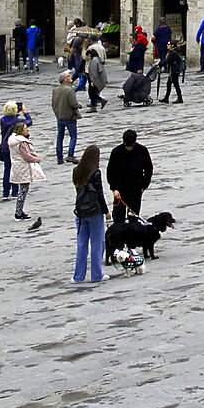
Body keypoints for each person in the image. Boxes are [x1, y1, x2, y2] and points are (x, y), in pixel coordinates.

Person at [72, 145, 109, 282]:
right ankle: (96, 274)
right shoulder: (96, 173)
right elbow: (99, 194)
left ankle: (78, 276)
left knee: (81, 244)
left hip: (80, 212)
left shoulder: (76, 171)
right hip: (94, 211)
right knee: (97, 243)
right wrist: (106, 211)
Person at [108, 128, 154, 214]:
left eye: (131, 146)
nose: (129, 148)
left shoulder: (142, 150)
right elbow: (110, 172)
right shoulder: (116, 152)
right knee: (118, 219)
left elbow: (149, 170)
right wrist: (114, 189)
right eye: (126, 146)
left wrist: (144, 186)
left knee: (134, 218)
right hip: (120, 190)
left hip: (136, 189)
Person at [7, 120, 45, 222]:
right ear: (21, 131)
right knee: (23, 190)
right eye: (25, 129)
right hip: (23, 167)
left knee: (23, 190)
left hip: (18, 166)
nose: (27, 130)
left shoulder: (13, 140)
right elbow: (26, 156)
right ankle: (18, 212)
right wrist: (36, 159)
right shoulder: (21, 143)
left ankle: (19, 211)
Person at [51, 71, 82, 163]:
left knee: (60, 137)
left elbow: (53, 104)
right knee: (73, 136)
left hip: (60, 116)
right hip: (69, 116)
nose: (70, 77)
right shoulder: (70, 90)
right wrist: (79, 105)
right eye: (68, 76)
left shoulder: (55, 90)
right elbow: (73, 104)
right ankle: (70, 155)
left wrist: (57, 113)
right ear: (65, 79)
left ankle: (59, 157)